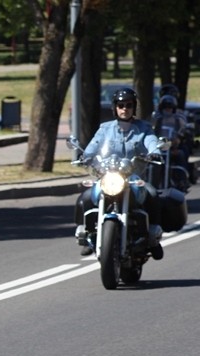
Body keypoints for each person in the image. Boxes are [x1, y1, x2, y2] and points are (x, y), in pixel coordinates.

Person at [74, 87, 164, 259]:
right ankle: (87, 236)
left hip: (132, 177)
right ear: (114, 107)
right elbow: (95, 144)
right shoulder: (105, 128)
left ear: (134, 107)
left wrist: (155, 151)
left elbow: (151, 141)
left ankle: (153, 239)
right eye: (121, 105)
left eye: (128, 105)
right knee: (86, 197)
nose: (125, 109)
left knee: (152, 193)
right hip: (108, 175)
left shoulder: (143, 128)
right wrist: (85, 156)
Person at [151, 94, 192, 190]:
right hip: (158, 147)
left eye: (170, 107)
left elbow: (183, 130)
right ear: (161, 108)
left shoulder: (178, 119)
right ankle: (148, 180)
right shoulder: (157, 119)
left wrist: (178, 139)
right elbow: (151, 130)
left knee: (181, 154)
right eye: (165, 107)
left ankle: (182, 180)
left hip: (173, 147)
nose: (168, 109)